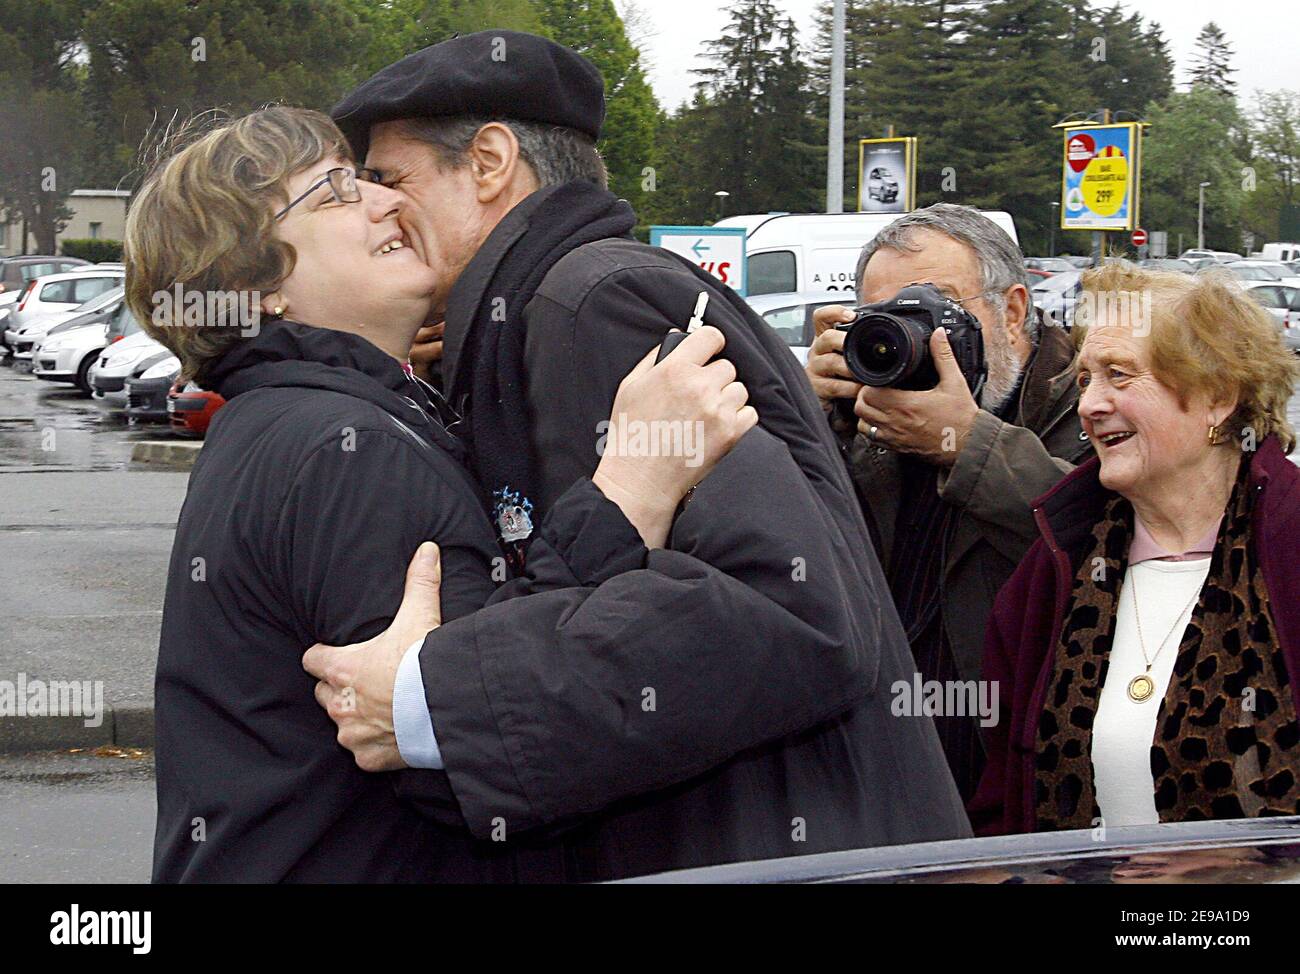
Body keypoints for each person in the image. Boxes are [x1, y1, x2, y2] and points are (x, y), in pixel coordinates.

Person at [307, 29, 971, 881]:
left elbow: (786, 608)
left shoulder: (589, 304)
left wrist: (439, 702)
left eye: (392, 180)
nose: (380, 208)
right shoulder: (542, 309)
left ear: (489, 162)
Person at [126, 106, 755, 882]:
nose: (385, 200)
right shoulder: (341, 451)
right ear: (259, 288)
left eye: (367, 180)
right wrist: (629, 492)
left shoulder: (300, 421)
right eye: (335, 194)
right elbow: (473, 747)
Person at [970, 262, 1300, 835]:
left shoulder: (1289, 548)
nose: (1090, 406)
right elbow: (1003, 806)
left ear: (1216, 395)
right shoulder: (1055, 568)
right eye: (1084, 381)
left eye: (1119, 376)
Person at [804, 204, 1091, 799]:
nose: (911, 334)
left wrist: (970, 445)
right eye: (886, 317)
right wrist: (808, 426)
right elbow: (789, 563)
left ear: (1013, 314)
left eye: (936, 309)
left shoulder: (1088, 404)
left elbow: (1096, 539)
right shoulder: (862, 422)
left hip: (1014, 779)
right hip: (876, 775)